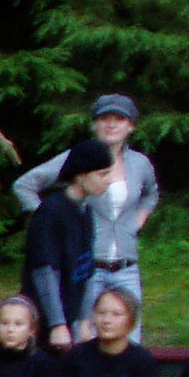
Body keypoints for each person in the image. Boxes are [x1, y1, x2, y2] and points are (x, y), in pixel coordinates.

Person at [13, 94, 158, 339]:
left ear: (131, 125)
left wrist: (138, 221)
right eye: (104, 118)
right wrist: (47, 221)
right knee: (82, 339)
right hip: (85, 267)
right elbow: (24, 185)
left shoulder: (139, 164)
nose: (111, 124)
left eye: (119, 119)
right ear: (94, 124)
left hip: (124, 264)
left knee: (129, 340)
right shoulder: (78, 158)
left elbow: (151, 193)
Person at [22, 139, 121, 350]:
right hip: (43, 319)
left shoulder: (85, 211)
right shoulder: (51, 212)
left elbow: (87, 269)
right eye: (102, 174)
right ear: (80, 175)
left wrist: (84, 319)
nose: (109, 180)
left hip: (71, 314)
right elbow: (45, 271)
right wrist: (57, 324)